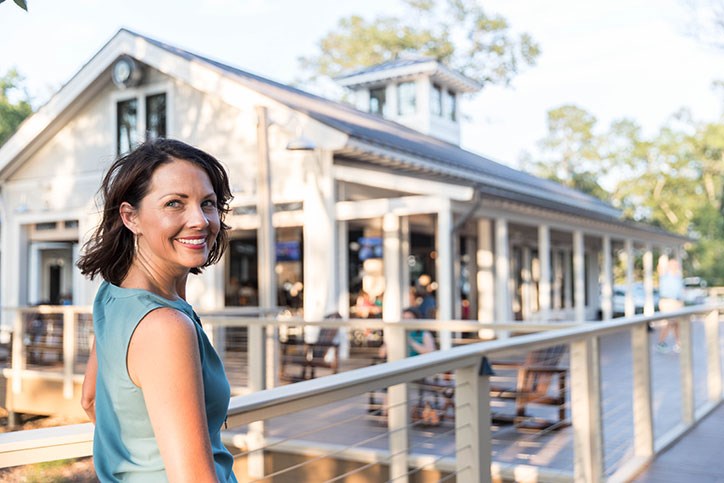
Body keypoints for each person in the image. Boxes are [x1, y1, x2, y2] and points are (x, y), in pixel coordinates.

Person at [78, 139, 237, 481]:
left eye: (207, 203)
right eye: (174, 204)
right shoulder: (165, 326)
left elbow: (91, 400)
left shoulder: (112, 295)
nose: (200, 220)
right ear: (130, 216)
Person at [656, 257, 685, 354]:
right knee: (668, 323)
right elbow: (660, 266)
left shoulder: (678, 277)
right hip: (667, 302)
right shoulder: (664, 275)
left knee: (677, 323)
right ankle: (661, 343)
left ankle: (678, 343)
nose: (676, 266)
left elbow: (680, 292)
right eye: (673, 265)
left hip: (677, 303)